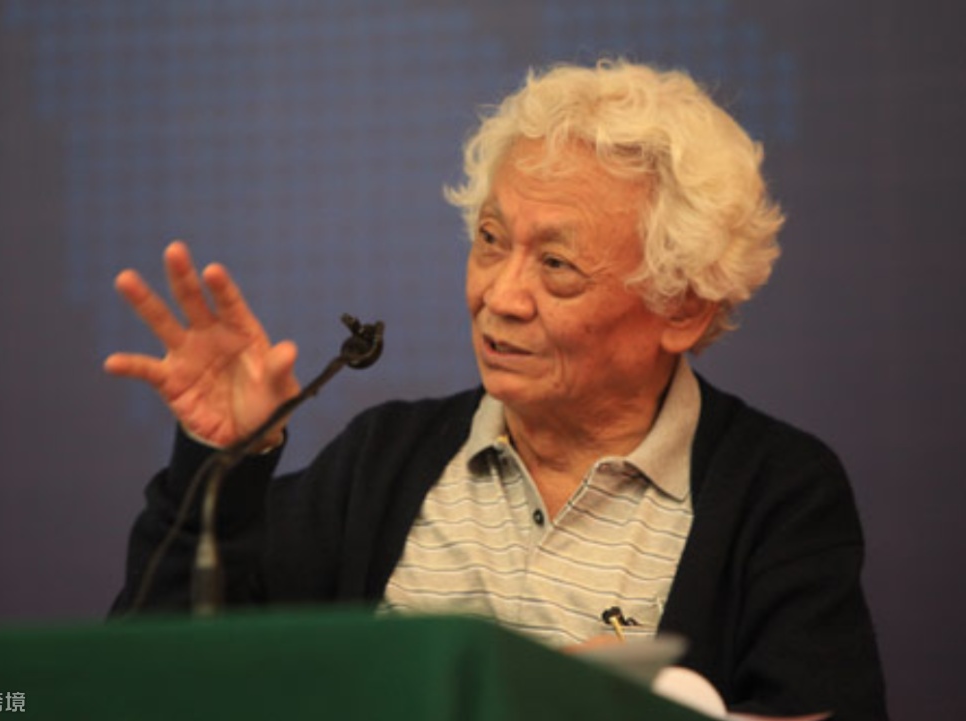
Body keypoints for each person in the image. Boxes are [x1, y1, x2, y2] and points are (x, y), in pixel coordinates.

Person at [106, 60, 887, 719]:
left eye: (556, 264)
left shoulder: (777, 495)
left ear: (681, 307)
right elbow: (165, 678)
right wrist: (221, 460)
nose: (499, 295)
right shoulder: (383, 459)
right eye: (490, 240)